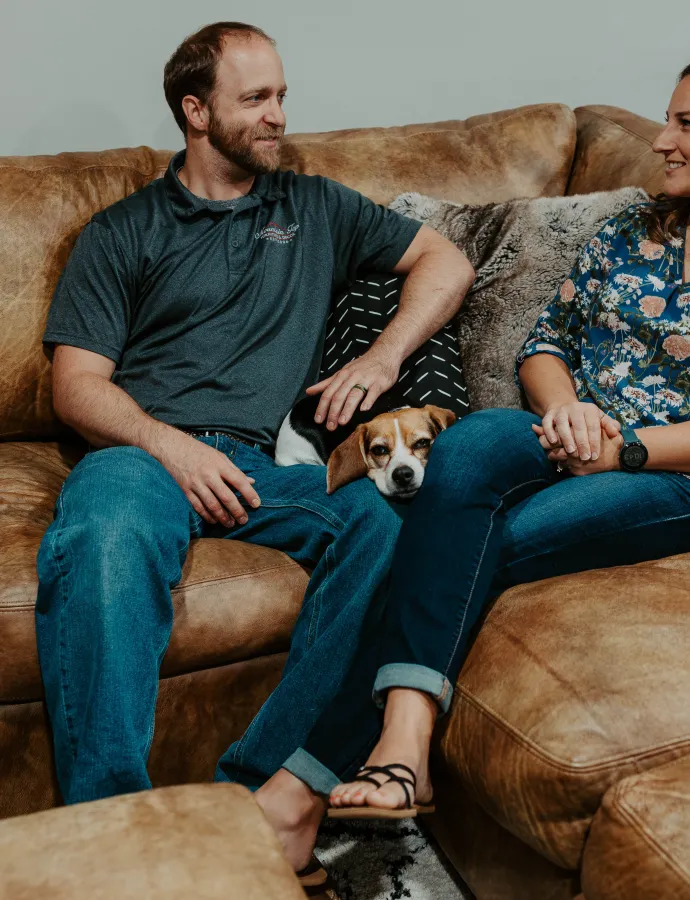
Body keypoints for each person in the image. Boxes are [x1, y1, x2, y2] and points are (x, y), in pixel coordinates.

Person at [250, 64, 690, 874]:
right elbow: (547, 342)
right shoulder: (636, 229)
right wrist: (564, 411)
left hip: (666, 468)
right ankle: (391, 748)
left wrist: (622, 447)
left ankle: (307, 785)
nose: (662, 140)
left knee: (453, 545)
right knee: (477, 440)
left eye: (686, 125)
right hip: (572, 434)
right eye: (667, 119)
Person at [35, 20, 474, 813]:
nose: (279, 115)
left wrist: (381, 356)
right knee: (103, 534)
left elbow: (448, 259)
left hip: (265, 466)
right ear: (196, 111)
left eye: (282, 95)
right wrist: (171, 450)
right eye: (257, 98)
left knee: (396, 525)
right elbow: (78, 386)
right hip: (142, 454)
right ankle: (111, 819)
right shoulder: (122, 232)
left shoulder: (316, 206)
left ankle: (254, 794)